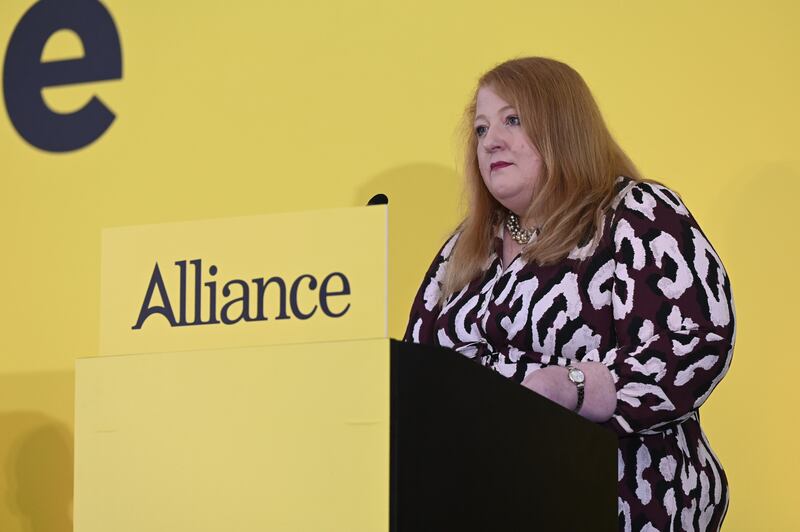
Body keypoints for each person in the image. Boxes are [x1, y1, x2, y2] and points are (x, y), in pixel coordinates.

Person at [403, 57, 735, 532]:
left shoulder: (634, 214)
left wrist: (577, 388)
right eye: (480, 129)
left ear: (562, 125)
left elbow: (695, 341)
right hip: (488, 504)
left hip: (622, 500)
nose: (490, 140)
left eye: (512, 120)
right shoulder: (464, 247)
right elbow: (420, 371)